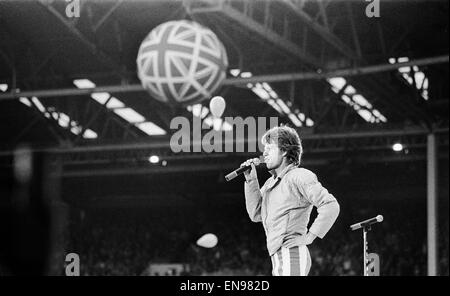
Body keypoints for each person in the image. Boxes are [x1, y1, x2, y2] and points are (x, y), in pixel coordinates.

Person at [241, 125, 340, 276]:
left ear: (285, 151)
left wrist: (310, 236)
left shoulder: (299, 176)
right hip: (280, 257)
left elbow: (330, 205)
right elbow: (256, 214)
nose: (264, 152)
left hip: (291, 254)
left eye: (270, 147)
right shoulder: (270, 183)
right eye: (264, 148)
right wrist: (251, 181)